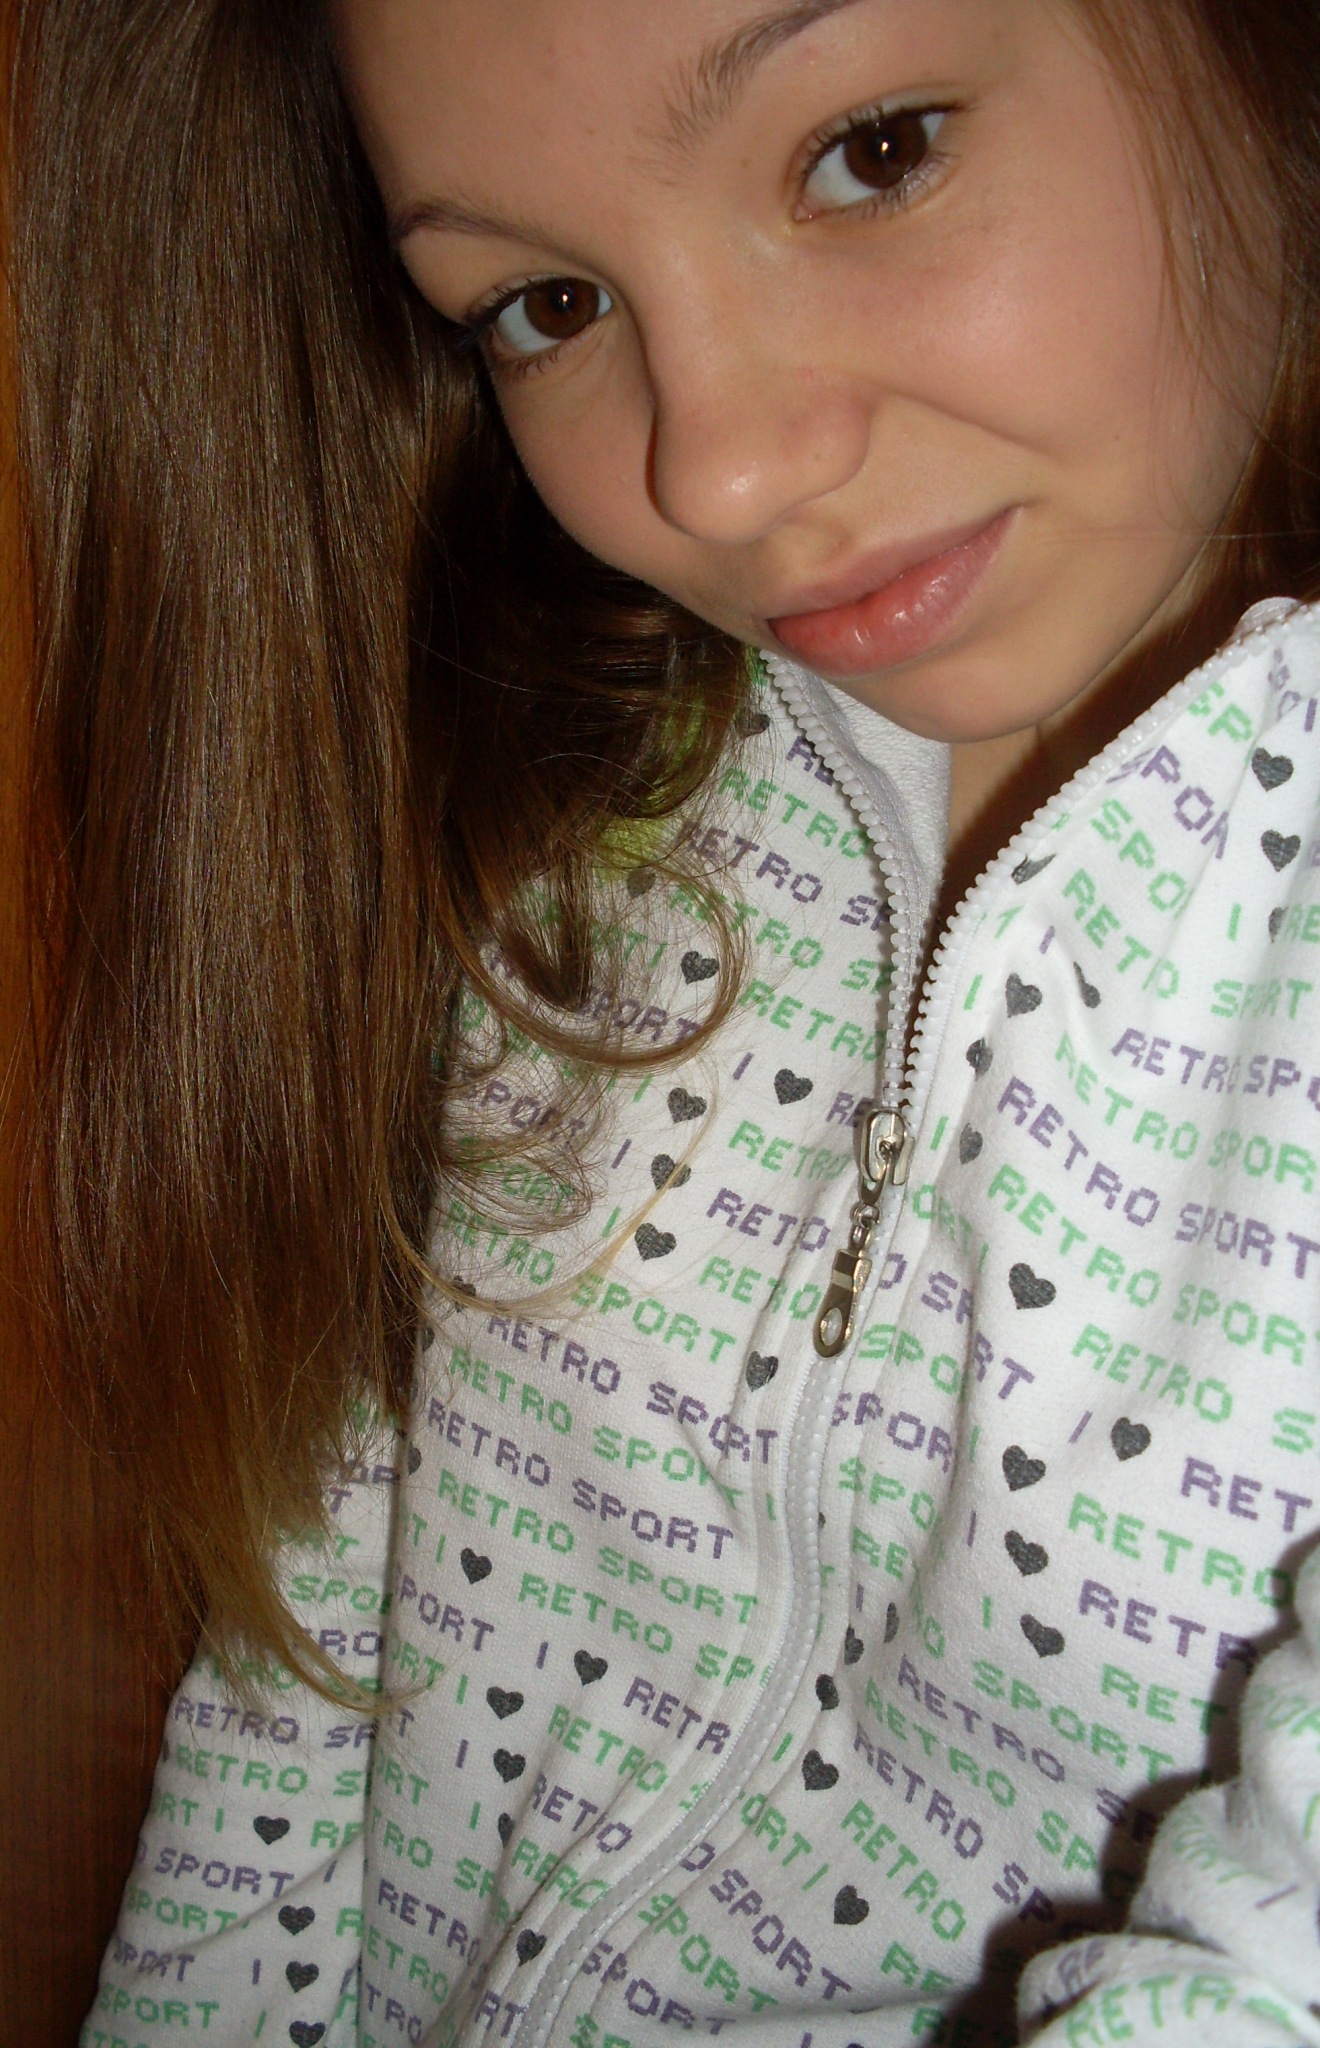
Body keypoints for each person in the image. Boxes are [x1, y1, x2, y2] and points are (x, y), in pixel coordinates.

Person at [16, 0, 1315, 2042]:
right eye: (544, 305)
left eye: (874, 151)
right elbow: (304, 1710)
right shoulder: (563, 830)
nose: (713, 465)